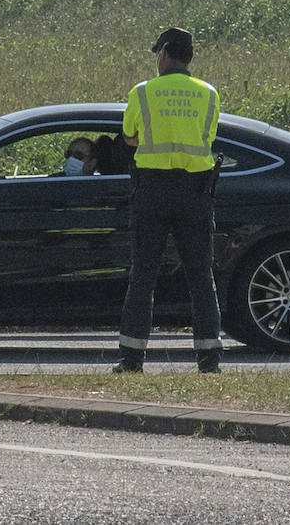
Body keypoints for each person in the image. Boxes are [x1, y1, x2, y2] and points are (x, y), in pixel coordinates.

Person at [113, 27, 223, 374]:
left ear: (163, 54)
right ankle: (209, 359)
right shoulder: (208, 93)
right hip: (195, 192)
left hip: (153, 191)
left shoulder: (143, 92)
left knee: (143, 275)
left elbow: (129, 137)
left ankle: (131, 359)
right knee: (200, 275)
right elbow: (208, 138)